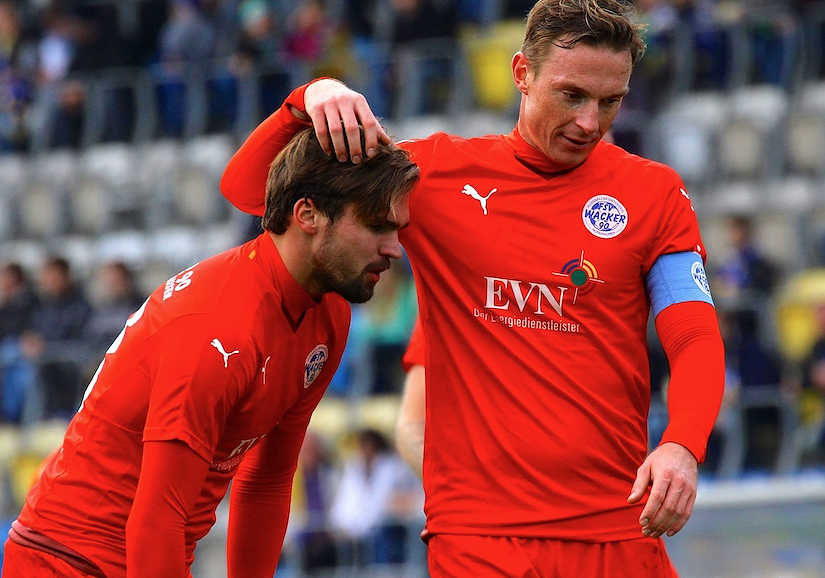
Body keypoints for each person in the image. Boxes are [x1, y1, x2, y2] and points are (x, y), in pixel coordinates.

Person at [219, 1, 726, 575]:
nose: (590, 122)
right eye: (572, 96)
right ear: (522, 73)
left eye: (611, 102)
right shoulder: (433, 176)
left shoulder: (654, 194)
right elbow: (250, 193)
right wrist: (310, 98)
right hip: (480, 541)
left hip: (619, 528)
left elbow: (694, 336)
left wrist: (682, 444)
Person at [1, 127, 419, 578]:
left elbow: (267, 480)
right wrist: (303, 100)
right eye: (376, 226)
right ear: (307, 215)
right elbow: (156, 518)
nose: (394, 249)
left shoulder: (329, 313)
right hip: (66, 562)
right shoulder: (219, 329)